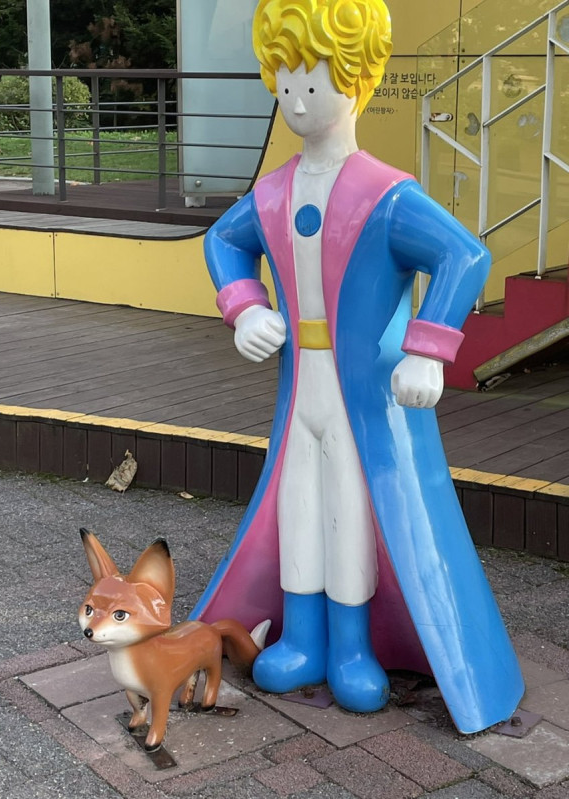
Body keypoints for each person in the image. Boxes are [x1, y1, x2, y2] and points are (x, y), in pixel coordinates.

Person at [191, 0, 524, 733]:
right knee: (298, 508)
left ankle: (351, 646)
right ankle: (303, 637)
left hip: (363, 396)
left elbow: (463, 255)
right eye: (285, 85)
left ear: (358, 80)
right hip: (300, 389)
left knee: (352, 511)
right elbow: (223, 240)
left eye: (312, 84)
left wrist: (428, 348)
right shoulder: (275, 190)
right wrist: (245, 307)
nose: (296, 102)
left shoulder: (385, 194)